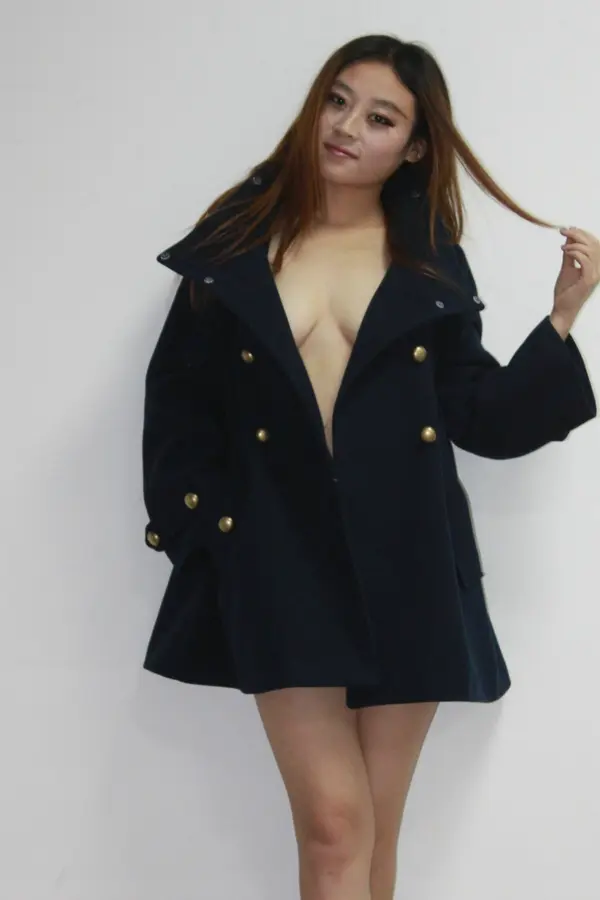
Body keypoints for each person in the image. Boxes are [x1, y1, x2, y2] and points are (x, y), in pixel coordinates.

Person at [140, 33, 598, 900]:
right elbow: (177, 412)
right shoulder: (236, 243)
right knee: (335, 826)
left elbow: (479, 415)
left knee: (374, 830)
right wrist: (216, 539)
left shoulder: (426, 257)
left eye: (380, 118)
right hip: (279, 558)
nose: (347, 127)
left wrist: (562, 320)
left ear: (415, 147)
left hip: (409, 560)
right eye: (337, 100)